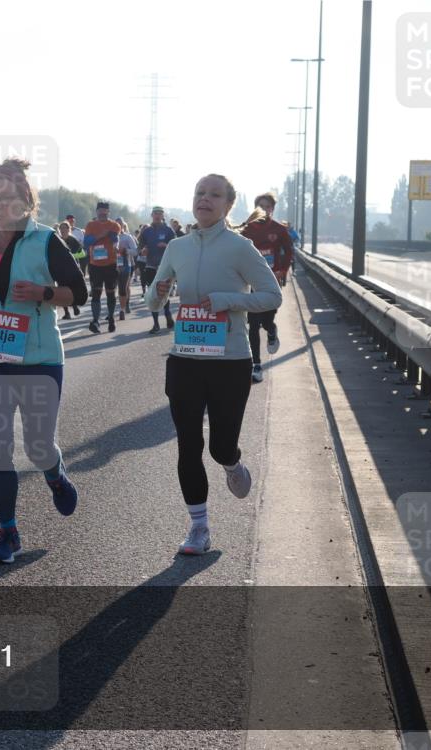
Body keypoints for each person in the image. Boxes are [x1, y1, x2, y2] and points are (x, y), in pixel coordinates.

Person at [0, 158, 87, 564]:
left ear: (25, 200)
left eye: (6, 197)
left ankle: (54, 473)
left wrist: (44, 293)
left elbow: (78, 292)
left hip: (39, 358)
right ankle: (7, 532)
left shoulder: (45, 240)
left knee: (38, 446)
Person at [145, 174, 281, 555]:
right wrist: (158, 293)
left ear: (227, 205)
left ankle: (232, 463)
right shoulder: (177, 247)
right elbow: (153, 302)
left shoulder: (240, 248)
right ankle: (199, 528)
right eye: (200, 193)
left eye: (214, 195)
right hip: (185, 359)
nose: (205, 199)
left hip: (229, 362)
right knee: (188, 445)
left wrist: (226, 300)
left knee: (221, 447)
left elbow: (272, 296)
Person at [240, 193, 293, 383]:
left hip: (271, 282)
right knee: (253, 324)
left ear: (273, 209)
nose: (264, 209)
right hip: (252, 282)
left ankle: (271, 330)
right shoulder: (247, 228)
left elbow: (289, 251)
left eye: (268, 206)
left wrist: (282, 271)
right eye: (260, 206)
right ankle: (256, 365)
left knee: (266, 321)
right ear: (255, 208)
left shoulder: (279, 229)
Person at [83, 201, 122, 334]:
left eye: (104, 211)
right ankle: (95, 321)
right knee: (96, 293)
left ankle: (111, 318)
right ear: (97, 212)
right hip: (95, 265)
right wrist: (101, 235)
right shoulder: (90, 225)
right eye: (100, 211)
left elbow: (114, 238)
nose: (102, 213)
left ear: (108, 212)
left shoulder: (114, 225)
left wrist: (100, 237)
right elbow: (87, 242)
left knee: (111, 292)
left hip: (110, 264)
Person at [139, 206, 178, 333]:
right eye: (155, 213)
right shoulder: (146, 231)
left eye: (159, 213)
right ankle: (156, 324)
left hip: (164, 266)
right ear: (152, 215)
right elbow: (140, 246)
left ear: (163, 215)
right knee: (152, 294)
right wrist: (143, 250)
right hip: (150, 265)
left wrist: (166, 245)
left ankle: (167, 314)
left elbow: (176, 246)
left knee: (164, 292)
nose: (157, 215)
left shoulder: (168, 230)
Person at [57, 220, 84, 319]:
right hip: (60, 268)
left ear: (69, 229)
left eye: (65, 228)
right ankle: (66, 313)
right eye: (61, 228)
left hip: (72, 267)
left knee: (71, 289)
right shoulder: (58, 239)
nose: (63, 230)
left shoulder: (73, 240)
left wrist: (71, 256)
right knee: (61, 289)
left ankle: (74, 306)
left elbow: (82, 253)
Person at [116, 218, 137, 317]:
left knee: (124, 287)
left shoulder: (127, 237)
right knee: (113, 288)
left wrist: (125, 251)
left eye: (120, 224)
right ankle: (114, 310)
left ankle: (124, 307)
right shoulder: (110, 237)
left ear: (123, 226)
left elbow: (135, 251)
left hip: (126, 264)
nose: (118, 226)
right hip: (112, 265)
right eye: (116, 224)